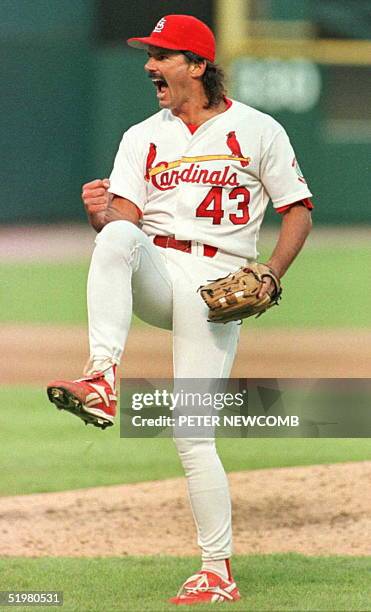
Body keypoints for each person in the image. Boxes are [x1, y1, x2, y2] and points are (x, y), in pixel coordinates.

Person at [47, 14, 313, 605]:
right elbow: (123, 225)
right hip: (159, 270)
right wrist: (100, 216)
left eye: (162, 55)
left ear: (197, 65)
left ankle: (217, 571)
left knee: (193, 435)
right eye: (150, 55)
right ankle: (101, 377)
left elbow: (298, 209)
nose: (149, 66)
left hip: (221, 279)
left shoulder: (258, 129)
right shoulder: (142, 136)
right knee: (115, 239)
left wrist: (271, 270)